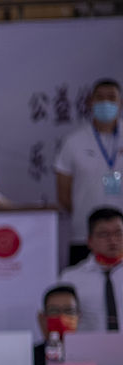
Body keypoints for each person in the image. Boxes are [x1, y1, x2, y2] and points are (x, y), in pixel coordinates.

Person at [55, 78, 122, 266]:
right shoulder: (74, 141)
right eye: (99, 98)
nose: (105, 103)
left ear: (120, 103)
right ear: (90, 102)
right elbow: (63, 194)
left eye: (111, 98)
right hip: (84, 234)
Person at [59, 206, 123, 331]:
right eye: (104, 234)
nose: (112, 240)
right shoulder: (71, 278)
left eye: (118, 233)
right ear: (89, 240)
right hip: (86, 347)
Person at [33, 284, 80, 365]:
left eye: (69, 311)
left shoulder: (92, 354)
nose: (61, 316)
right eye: (54, 311)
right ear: (43, 317)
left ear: (79, 316)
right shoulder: (30, 357)